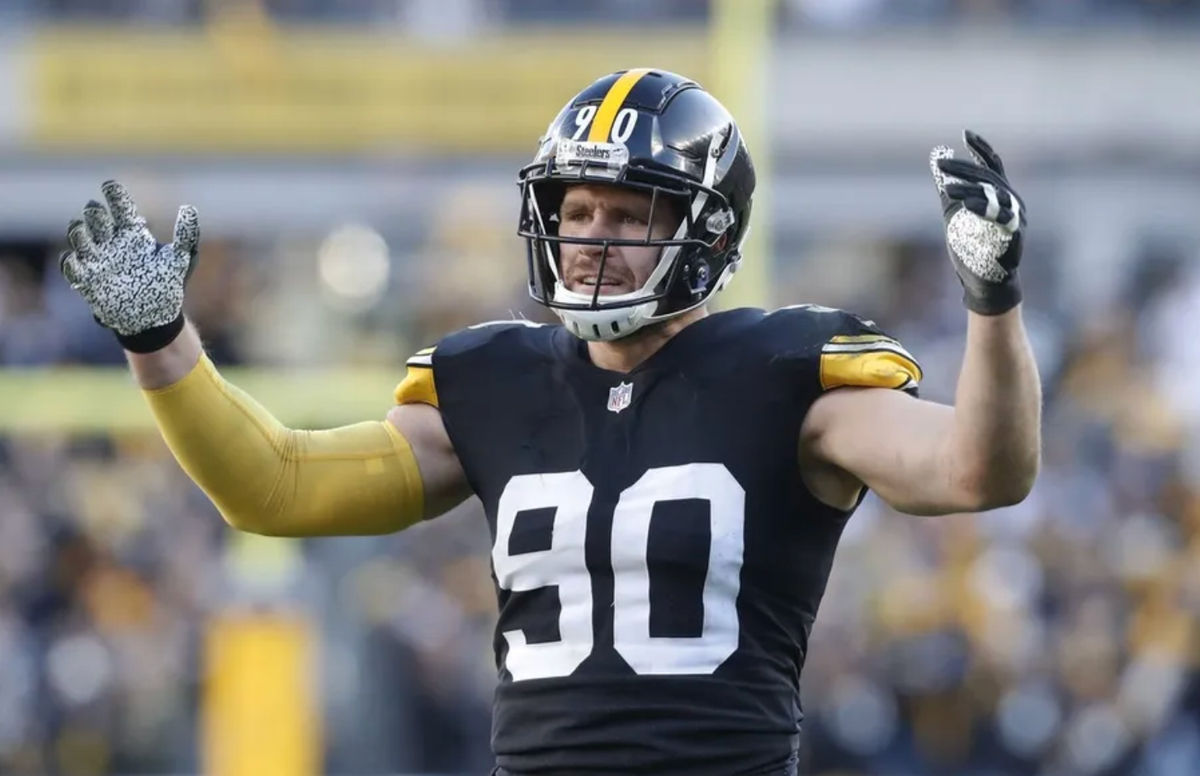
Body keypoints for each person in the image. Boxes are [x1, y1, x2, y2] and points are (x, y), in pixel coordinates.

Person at [59, 68, 1041, 776]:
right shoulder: (495, 376)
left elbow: (975, 470)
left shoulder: (787, 371)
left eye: (628, 216)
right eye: (577, 210)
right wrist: (161, 342)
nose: (592, 242)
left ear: (704, 232)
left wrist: (991, 304)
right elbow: (275, 486)